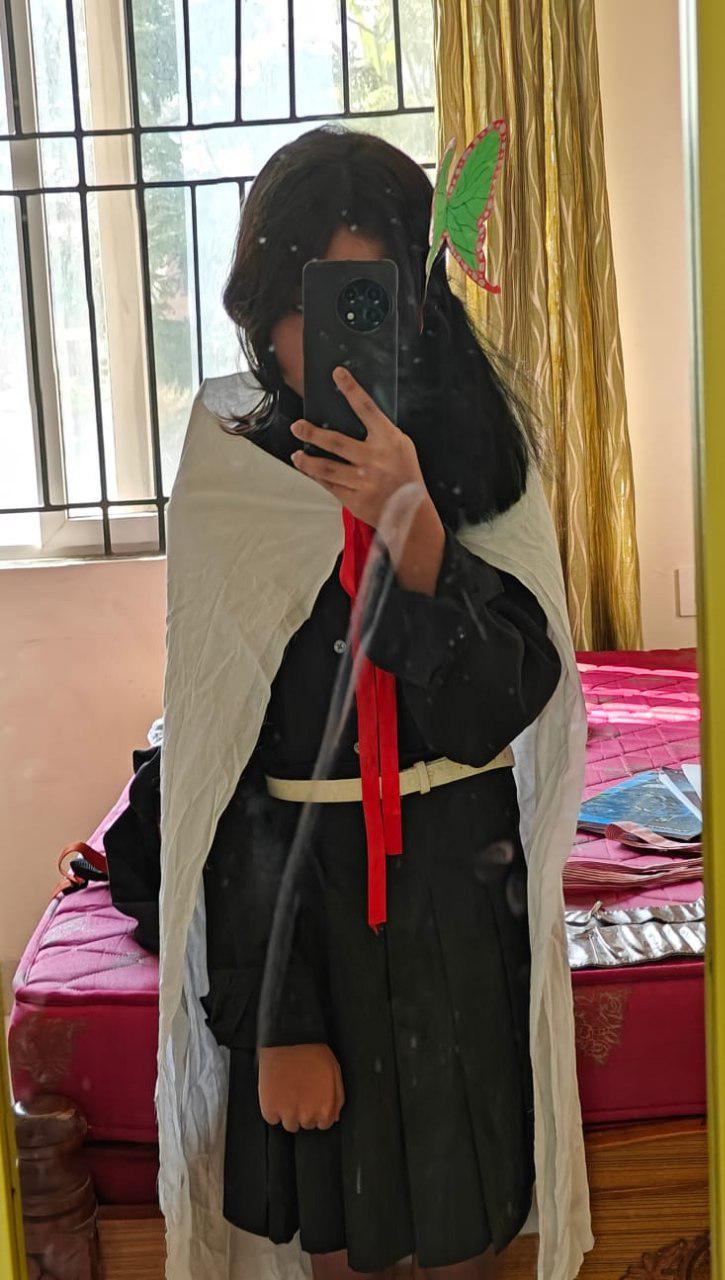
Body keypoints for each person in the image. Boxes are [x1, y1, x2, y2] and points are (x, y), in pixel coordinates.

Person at [193, 125, 564, 1280]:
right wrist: (275, 1015)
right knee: (345, 1245)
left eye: (370, 299)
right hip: (307, 918)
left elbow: (497, 711)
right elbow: (220, 774)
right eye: (311, 302)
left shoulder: (481, 466)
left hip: (458, 902)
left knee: (466, 1234)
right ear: (264, 310)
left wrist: (415, 535)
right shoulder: (233, 480)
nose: (334, 339)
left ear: (416, 303)